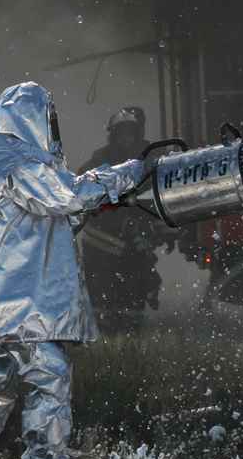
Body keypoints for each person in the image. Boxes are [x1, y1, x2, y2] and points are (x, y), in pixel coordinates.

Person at [0, 82, 147, 459]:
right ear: (31, 118)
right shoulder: (11, 159)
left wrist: (86, 203)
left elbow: (39, 219)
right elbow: (65, 196)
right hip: (17, 303)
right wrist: (127, 173)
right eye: (47, 120)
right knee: (49, 374)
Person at [75, 106, 178, 333]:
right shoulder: (99, 161)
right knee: (103, 302)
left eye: (131, 134)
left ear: (138, 134)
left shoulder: (149, 160)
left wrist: (163, 231)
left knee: (134, 300)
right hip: (101, 249)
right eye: (121, 134)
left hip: (134, 249)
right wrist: (118, 219)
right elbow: (82, 194)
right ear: (113, 136)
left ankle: (130, 337)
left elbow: (159, 197)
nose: (126, 139)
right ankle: (106, 339)